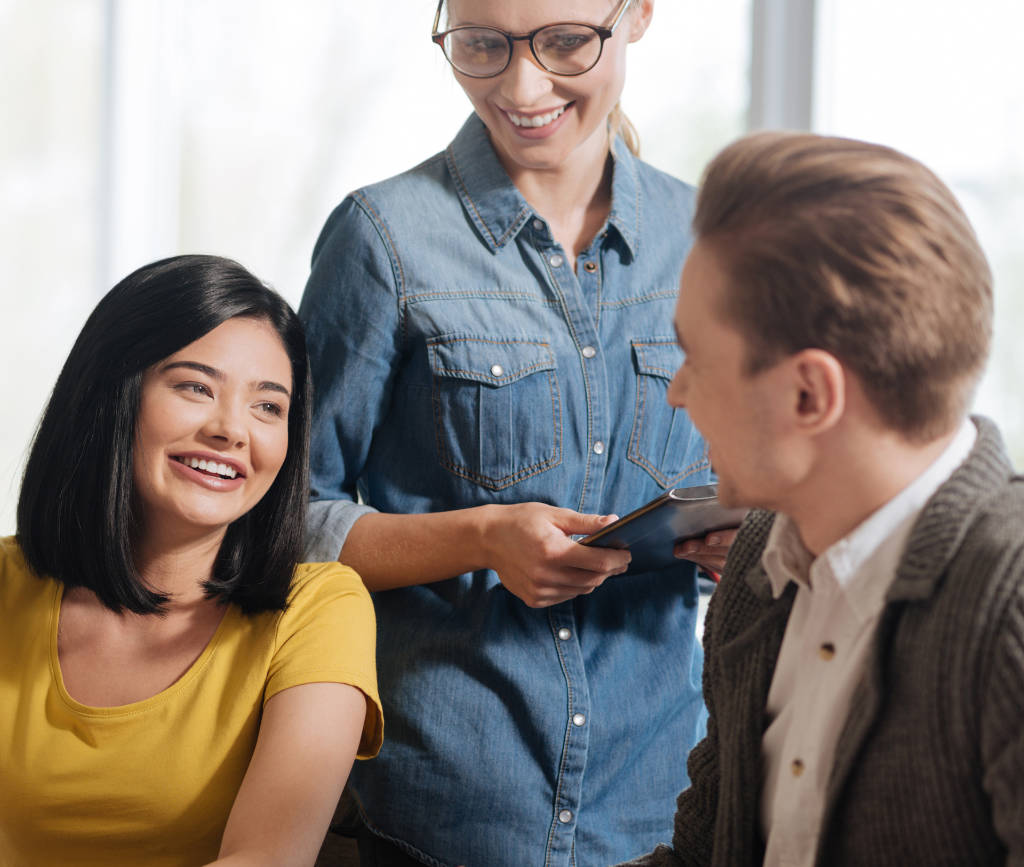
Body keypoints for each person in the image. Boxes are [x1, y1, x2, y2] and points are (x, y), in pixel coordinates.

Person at [298, 1, 736, 864]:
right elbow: (283, 523)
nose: (521, 86)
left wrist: (740, 537)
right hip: (447, 804)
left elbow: (754, 478)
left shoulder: (708, 240)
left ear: (637, 15)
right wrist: (483, 537)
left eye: (566, 42)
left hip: (663, 801)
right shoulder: (382, 239)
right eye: (481, 46)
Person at [621, 131, 1024, 867]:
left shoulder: (1008, 610)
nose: (677, 392)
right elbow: (705, 853)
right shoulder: (759, 561)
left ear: (809, 393)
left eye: (695, 359)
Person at [0, 255, 384, 866]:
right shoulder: (6, 584)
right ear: (112, 394)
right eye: (195, 387)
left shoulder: (320, 608)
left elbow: (268, 859)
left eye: (268, 407)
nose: (233, 431)